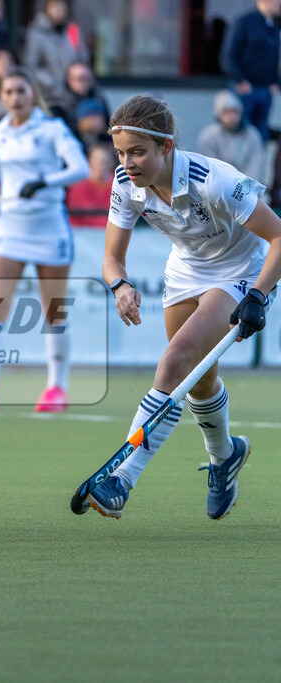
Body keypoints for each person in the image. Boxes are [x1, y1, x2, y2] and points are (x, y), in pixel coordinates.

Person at [86, 94, 281, 521]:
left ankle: (122, 477)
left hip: (240, 271)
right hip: (185, 272)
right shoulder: (125, 183)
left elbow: (279, 236)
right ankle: (225, 456)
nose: (127, 163)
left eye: (137, 152)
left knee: (175, 361)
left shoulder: (215, 180)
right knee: (198, 380)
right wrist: (120, 286)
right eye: (120, 152)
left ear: (166, 146)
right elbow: (112, 258)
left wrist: (259, 294)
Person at [0, 67, 89, 412]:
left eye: (21, 91)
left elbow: (80, 168)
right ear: (2, 97)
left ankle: (57, 388)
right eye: (9, 92)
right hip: (9, 228)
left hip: (49, 228)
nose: (15, 98)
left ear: (32, 94)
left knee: (54, 311)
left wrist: (44, 181)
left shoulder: (52, 129)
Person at [221, 0, 281, 141]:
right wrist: (240, 80)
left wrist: (275, 82)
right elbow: (228, 57)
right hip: (244, 90)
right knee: (241, 133)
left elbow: (274, 58)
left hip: (265, 90)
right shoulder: (244, 22)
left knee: (261, 134)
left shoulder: (273, 25)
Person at [23, 0, 88, 106]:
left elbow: (83, 58)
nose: (60, 10)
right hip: (50, 96)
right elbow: (31, 67)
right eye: (55, 6)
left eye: (62, 7)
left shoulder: (72, 30)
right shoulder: (36, 33)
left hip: (76, 94)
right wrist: (52, 83)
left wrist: (77, 77)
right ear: (46, 9)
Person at [196, 90, 264, 182]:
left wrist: (246, 185)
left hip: (247, 185)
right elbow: (210, 169)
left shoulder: (252, 135)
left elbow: (254, 167)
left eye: (234, 111)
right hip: (218, 185)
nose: (231, 116)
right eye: (226, 112)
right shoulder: (208, 136)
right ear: (218, 115)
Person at [65, 144, 113, 227]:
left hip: (109, 230)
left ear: (111, 163)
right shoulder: (79, 184)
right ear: (89, 161)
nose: (100, 165)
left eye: (104, 161)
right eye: (96, 161)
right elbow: (86, 213)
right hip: (81, 230)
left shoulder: (119, 184)